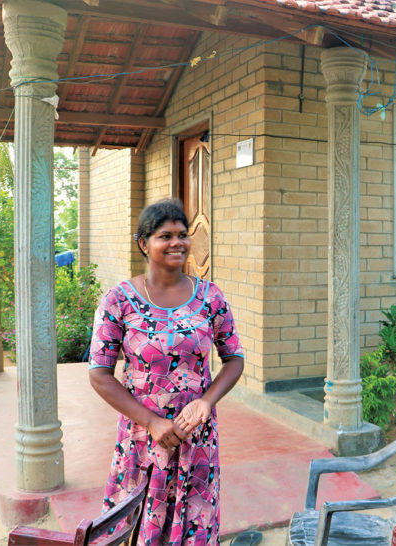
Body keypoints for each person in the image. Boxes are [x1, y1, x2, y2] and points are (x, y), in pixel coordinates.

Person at [89, 198, 244, 545]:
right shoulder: (119, 301)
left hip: (196, 437)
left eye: (183, 234)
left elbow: (234, 359)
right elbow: (99, 374)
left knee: (195, 527)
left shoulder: (211, 297)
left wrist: (206, 401)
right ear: (144, 243)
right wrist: (152, 422)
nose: (177, 243)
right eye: (165, 235)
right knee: (140, 523)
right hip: (143, 439)